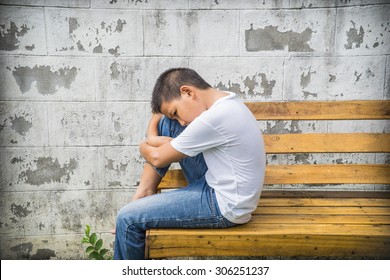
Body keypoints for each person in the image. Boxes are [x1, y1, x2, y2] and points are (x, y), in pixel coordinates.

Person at [114, 68, 266, 259]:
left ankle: (140, 201)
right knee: (169, 125)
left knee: (127, 218)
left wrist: (145, 144)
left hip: (226, 205)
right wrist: (157, 135)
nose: (182, 122)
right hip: (218, 183)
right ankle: (145, 191)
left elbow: (157, 158)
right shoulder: (226, 101)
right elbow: (160, 118)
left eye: (177, 112)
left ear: (188, 92)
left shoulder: (213, 119)